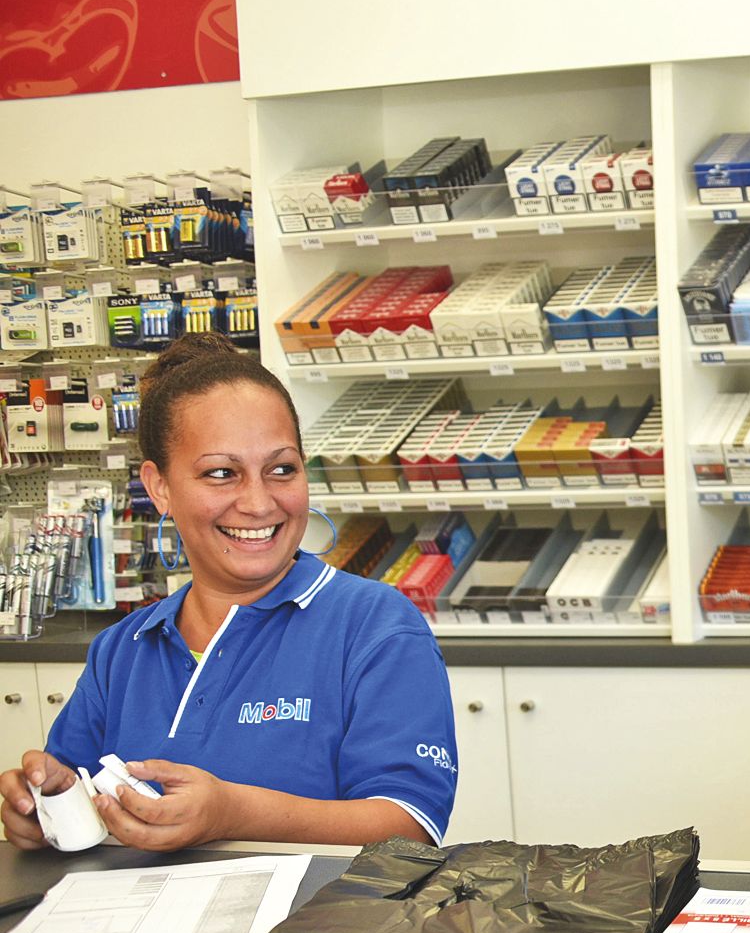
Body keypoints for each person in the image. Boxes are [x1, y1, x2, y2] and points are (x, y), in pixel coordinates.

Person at [0, 333, 459, 852]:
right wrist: (46, 808)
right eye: (222, 473)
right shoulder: (123, 650)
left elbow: (409, 824)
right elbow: (77, 796)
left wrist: (232, 813)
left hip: (314, 929)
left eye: (281, 469)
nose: (259, 503)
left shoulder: (375, 626)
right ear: (160, 487)